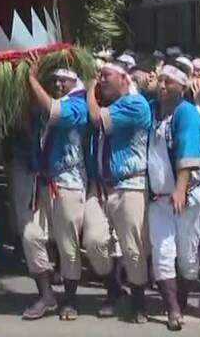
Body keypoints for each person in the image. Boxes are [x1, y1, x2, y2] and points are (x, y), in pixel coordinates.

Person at [84, 59, 153, 322]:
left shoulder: (135, 104)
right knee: (95, 241)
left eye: (105, 75)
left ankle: (138, 301)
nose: (100, 79)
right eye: (98, 75)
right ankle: (114, 288)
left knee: (132, 247)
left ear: (124, 78)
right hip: (102, 185)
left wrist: (90, 87)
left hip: (130, 185)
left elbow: (95, 119)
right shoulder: (110, 103)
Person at [19, 58, 88, 321]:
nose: (58, 84)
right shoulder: (53, 103)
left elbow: (52, 110)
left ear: (76, 82)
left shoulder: (78, 106)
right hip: (44, 182)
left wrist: (32, 79)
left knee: (67, 245)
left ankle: (70, 301)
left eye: (64, 80)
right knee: (31, 235)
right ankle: (46, 295)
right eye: (56, 80)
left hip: (68, 185)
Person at [147, 62, 200, 331]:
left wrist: (180, 188)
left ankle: (181, 299)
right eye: (160, 81)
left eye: (168, 82)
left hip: (187, 197)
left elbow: (189, 149)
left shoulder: (186, 113)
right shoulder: (151, 110)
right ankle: (172, 308)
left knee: (187, 258)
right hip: (158, 199)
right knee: (162, 253)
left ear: (182, 87)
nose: (162, 86)